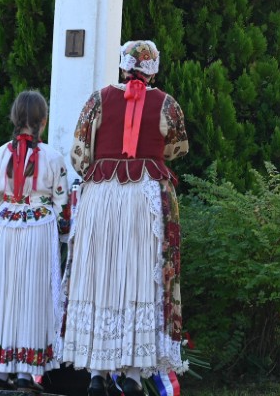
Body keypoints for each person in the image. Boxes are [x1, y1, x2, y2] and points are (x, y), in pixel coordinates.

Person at [61, 40, 189, 396]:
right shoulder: (167, 104)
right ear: (153, 69)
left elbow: (78, 154)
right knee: (139, 279)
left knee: (101, 276)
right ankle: (133, 375)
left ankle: (98, 374)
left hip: (102, 197)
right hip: (145, 196)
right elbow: (178, 147)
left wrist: (106, 164)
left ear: (123, 66)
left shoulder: (97, 100)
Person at [0, 91, 69, 392]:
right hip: (38, 226)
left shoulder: (1, 154)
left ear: (15, 118)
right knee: (33, 294)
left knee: (5, 294)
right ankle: (27, 372)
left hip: (6, 226)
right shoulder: (53, 156)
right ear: (43, 119)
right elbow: (61, 199)